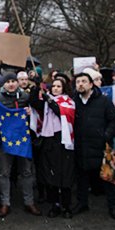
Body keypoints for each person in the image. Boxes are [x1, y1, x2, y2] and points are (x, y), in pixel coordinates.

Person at [72, 72, 115, 219]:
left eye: (83, 81)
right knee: (82, 178)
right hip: (82, 145)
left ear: (91, 84)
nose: (80, 84)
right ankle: (82, 203)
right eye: (77, 82)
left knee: (108, 178)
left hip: (101, 146)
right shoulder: (74, 101)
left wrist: (106, 136)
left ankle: (113, 207)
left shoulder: (104, 101)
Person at [0, 73, 41, 217]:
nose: (11, 84)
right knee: (4, 172)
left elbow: (38, 113)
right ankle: (5, 203)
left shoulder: (25, 98)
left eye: (13, 81)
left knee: (26, 172)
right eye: (8, 81)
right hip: (6, 141)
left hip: (23, 141)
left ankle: (29, 202)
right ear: (4, 84)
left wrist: (30, 112)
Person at [31, 77, 77, 218]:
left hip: (63, 141)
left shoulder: (68, 102)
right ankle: (55, 205)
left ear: (63, 88)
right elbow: (33, 102)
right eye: (53, 86)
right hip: (49, 140)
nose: (55, 88)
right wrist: (36, 86)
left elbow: (60, 112)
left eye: (58, 86)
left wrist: (49, 100)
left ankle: (66, 206)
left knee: (65, 175)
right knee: (51, 175)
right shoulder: (46, 101)